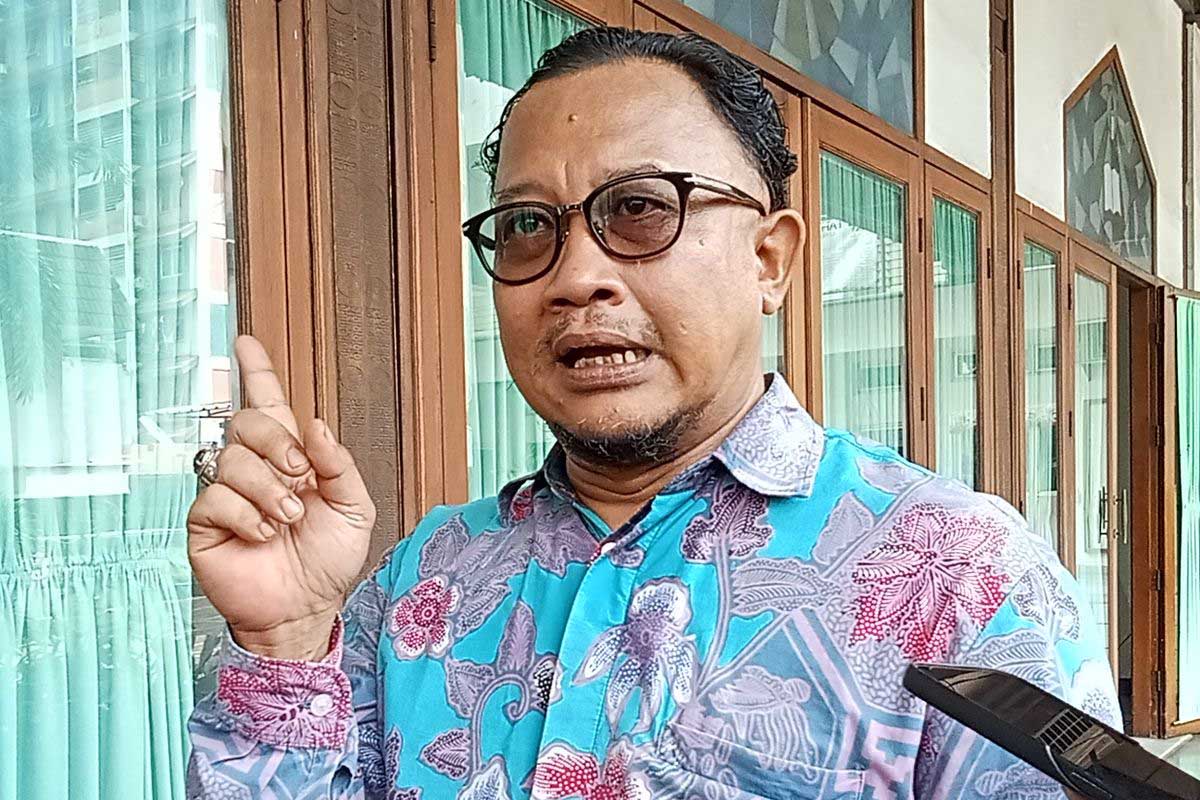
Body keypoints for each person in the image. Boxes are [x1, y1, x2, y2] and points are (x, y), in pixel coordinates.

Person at [185, 27, 1117, 800]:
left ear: (770, 260)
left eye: (640, 208)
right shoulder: (427, 576)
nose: (577, 277)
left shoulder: (960, 574)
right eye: (527, 226)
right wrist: (286, 641)